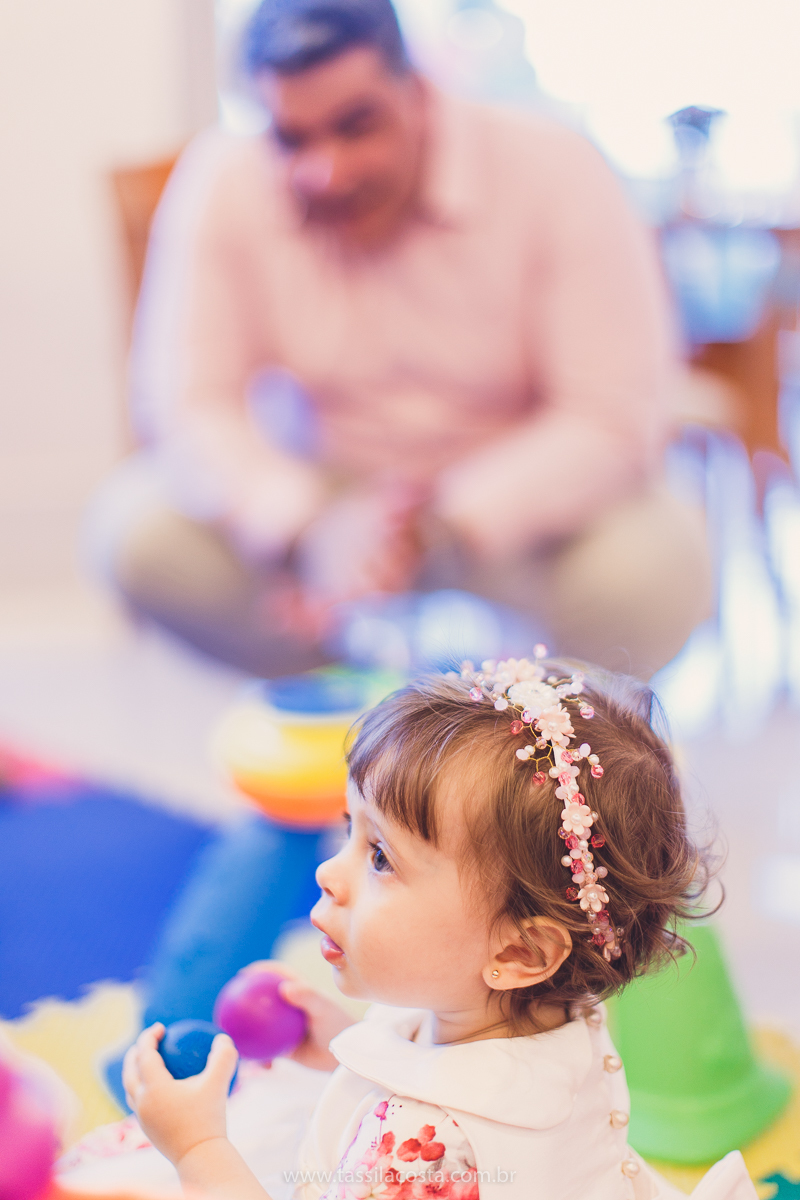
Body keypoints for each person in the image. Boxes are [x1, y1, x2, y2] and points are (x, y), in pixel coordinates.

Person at [88, 0, 711, 682]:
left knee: (657, 568)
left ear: (419, 91)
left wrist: (437, 527)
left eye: (357, 126)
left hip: (510, 504)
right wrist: (307, 526)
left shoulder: (555, 164)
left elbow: (611, 417)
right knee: (137, 534)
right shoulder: (224, 176)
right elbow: (188, 405)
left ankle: (527, 729)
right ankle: (350, 700)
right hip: (326, 503)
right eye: (292, 140)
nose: (326, 171)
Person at [61, 654, 755, 1198]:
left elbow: (435, 1140)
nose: (330, 873)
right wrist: (347, 1048)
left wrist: (199, 1150)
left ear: (518, 949)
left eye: (382, 858)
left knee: (125, 1168)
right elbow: (460, 1084)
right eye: (349, 832)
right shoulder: (542, 1017)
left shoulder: (415, 1145)